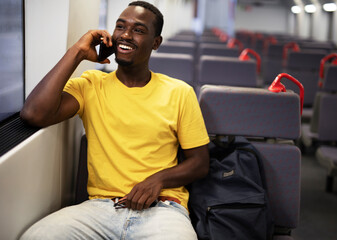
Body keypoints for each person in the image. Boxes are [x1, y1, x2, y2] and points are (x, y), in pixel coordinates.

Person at [20, 1, 210, 239]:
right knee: (36, 236)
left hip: (162, 209)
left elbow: (200, 163)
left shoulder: (179, 92)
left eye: (139, 30)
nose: (126, 35)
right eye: (120, 27)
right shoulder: (91, 85)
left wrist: (158, 179)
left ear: (156, 43)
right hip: (100, 208)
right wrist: (77, 52)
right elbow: (33, 114)